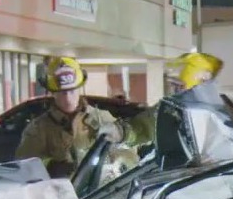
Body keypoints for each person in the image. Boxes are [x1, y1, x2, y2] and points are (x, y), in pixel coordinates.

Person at [15, 57, 145, 178]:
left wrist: (118, 163)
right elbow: (25, 165)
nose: (68, 98)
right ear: (53, 93)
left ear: (79, 88)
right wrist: (51, 166)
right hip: (59, 197)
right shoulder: (39, 128)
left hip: (98, 195)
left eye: (71, 91)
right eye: (62, 93)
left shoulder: (102, 119)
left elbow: (128, 155)